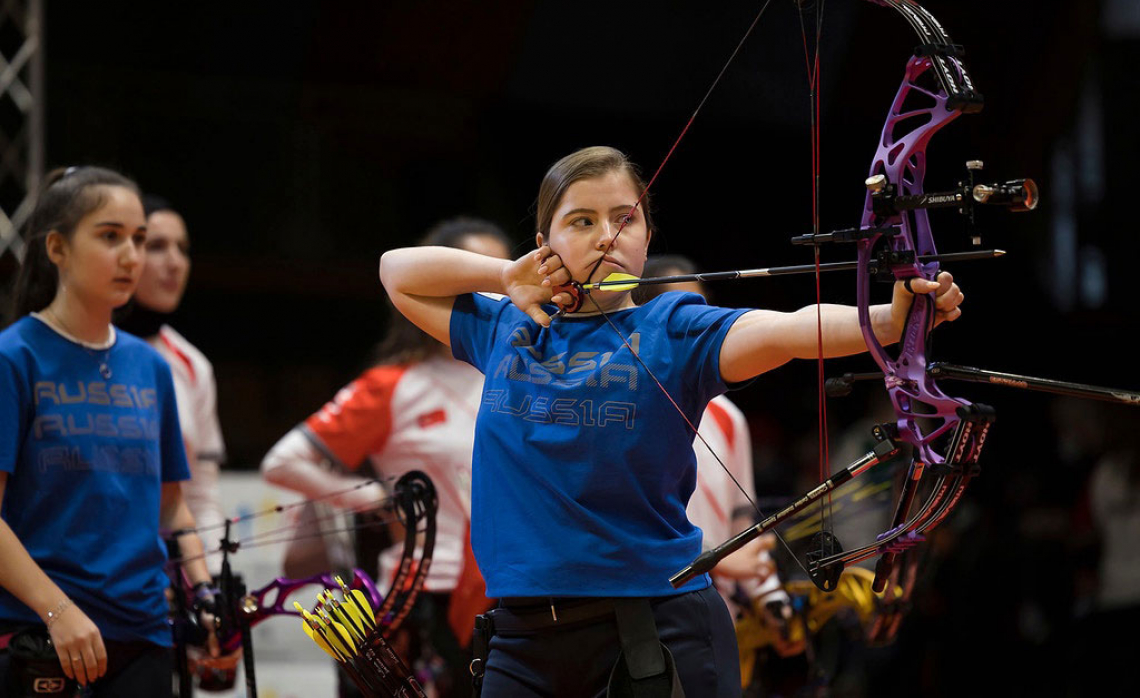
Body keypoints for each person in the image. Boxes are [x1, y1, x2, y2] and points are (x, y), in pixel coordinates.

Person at [378, 146, 964, 697]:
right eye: (582, 221)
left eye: (624, 219)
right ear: (544, 243)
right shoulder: (507, 326)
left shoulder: (676, 328)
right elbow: (395, 271)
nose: (606, 236)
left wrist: (888, 321)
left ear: (646, 236)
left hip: (651, 628)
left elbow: (787, 330)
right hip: (520, 639)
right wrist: (506, 275)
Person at [262, 217, 512, 697]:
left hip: (519, 587)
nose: (491, 295)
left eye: (497, 278)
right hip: (424, 597)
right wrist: (378, 498)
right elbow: (282, 462)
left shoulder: (530, 372)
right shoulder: (392, 384)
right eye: (472, 277)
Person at [0, 167, 217, 697]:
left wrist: (206, 590)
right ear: (57, 248)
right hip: (41, 633)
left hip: (142, 636)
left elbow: (170, 505)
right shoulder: (14, 358)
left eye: (138, 239)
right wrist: (58, 611)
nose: (131, 256)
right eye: (110, 236)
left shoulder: (152, 366)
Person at [633, 255, 788, 623]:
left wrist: (772, 597)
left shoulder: (727, 416)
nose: (698, 326)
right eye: (681, 317)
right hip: (644, 607)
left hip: (717, 614)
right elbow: (626, 517)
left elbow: (741, 524)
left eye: (702, 312)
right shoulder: (618, 403)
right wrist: (714, 559)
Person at [117, 196, 227, 577]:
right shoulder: (70, 351)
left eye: (183, 248)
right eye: (158, 246)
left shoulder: (192, 365)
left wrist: (208, 586)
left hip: (166, 593)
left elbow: (200, 498)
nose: (175, 262)